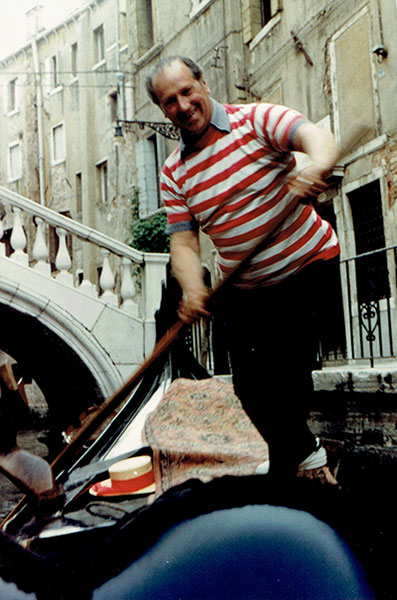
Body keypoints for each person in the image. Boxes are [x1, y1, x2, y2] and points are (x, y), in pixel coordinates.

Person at [145, 55, 341, 482]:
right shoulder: (174, 172)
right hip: (245, 286)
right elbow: (183, 240)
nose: (182, 105)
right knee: (249, 389)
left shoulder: (256, 120)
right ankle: (297, 454)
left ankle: (304, 464)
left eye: (186, 91)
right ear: (162, 110)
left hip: (307, 265)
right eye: (169, 101)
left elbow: (317, 137)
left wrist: (315, 166)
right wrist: (193, 288)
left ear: (203, 84)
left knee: (288, 376)